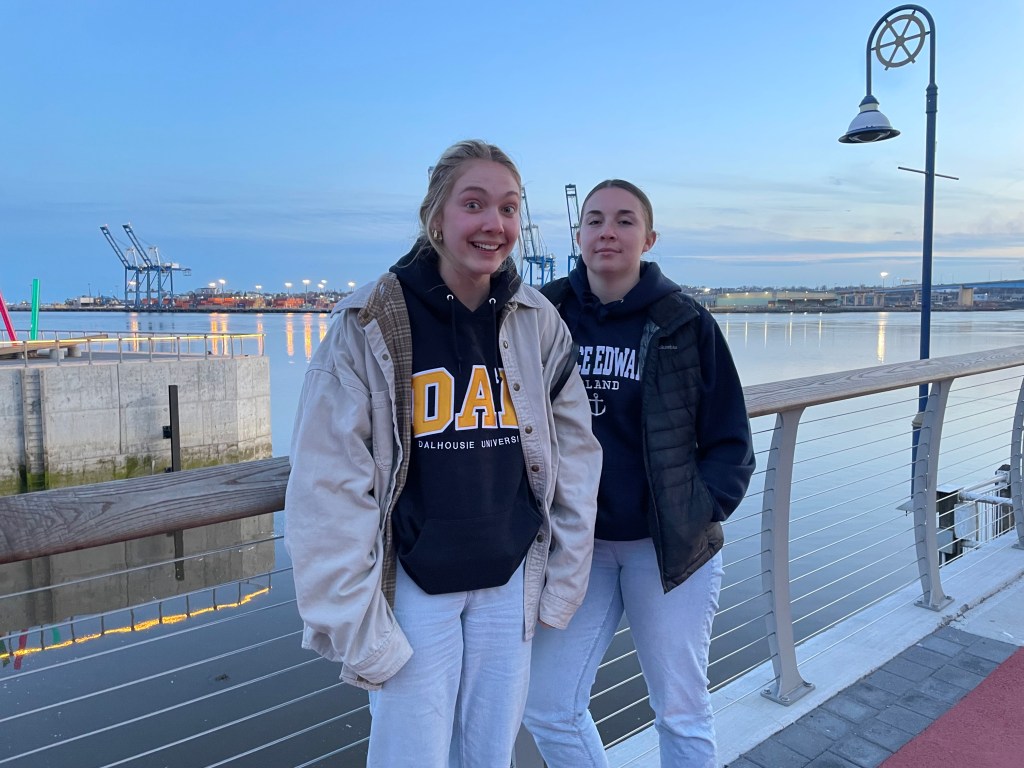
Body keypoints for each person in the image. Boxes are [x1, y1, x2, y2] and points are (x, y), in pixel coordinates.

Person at [283, 140, 601, 767]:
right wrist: (353, 620)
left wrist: (564, 575)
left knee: (490, 755)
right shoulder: (370, 319)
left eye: (509, 208)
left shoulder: (536, 321)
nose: (495, 224)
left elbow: (575, 452)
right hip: (414, 586)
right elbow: (326, 484)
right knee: (412, 757)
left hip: (508, 578)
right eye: (474, 204)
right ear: (437, 218)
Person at [522, 179, 755, 767]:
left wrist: (696, 511)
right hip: (577, 546)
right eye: (595, 220)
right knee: (548, 705)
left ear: (648, 238)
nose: (608, 231)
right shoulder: (541, 315)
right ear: (577, 236)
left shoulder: (686, 321)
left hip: (667, 547)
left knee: (680, 709)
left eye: (624, 221)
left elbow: (731, 440)